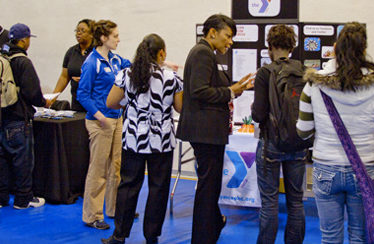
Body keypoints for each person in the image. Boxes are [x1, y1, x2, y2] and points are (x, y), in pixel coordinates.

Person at [297, 22, 374, 243]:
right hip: (364, 166)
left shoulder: (314, 85)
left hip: (325, 167)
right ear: (363, 50)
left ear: (334, 48)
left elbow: (303, 132)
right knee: (360, 236)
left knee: (330, 237)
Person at [176, 14, 253, 244]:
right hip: (205, 133)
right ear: (212, 33)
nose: (230, 42)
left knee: (209, 189)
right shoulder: (202, 53)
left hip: (208, 133)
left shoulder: (206, 53)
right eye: (227, 36)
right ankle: (202, 237)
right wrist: (230, 91)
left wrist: (233, 89)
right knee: (207, 190)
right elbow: (199, 91)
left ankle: (209, 230)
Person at [102, 33, 183, 244]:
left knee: (128, 186)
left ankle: (119, 235)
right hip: (162, 141)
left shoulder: (126, 74)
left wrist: (131, 105)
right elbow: (180, 107)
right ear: (162, 53)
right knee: (158, 189)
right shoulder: (171, 78)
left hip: (133, 139)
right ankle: (151, 236)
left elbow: (111, 102)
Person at [251, 24, 307, 244]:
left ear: (270, 46)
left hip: (271, 143)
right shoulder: (303, 71)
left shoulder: (265, 72)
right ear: (291, 46)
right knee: (296, 202)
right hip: (299, 143)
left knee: (270, 203)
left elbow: (258, 114)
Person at [77, 20, 131, 230]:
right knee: (98, 169)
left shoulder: (117, 60)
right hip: (100, 122)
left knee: (116, 167)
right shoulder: (92, 62)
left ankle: (113, 208)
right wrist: (100, 116)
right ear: (103, 38)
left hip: (117, 119)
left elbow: (139, 64)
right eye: (115, 36)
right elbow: (83, 93)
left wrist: (162, 63)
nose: (118, 39)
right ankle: (92, 215)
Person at [0, 23, 46, 209]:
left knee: (2, 160)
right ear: (23, 40)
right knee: (22, 161)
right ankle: (23, 199)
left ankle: (2, 198)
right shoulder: (23, 62)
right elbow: (33, 92)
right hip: (19, 118)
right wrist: (44, 103)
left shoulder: (3, 58)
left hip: (2, 116)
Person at [47, 19, 95, 111]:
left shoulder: (98, 52)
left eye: (82, 31)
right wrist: (52, 98)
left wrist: (87, 80)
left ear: (91, 34)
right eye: (77, 30)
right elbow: (64, 77)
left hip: (95, 103)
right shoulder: (71, 52)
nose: (78, 33)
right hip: (77, 102)